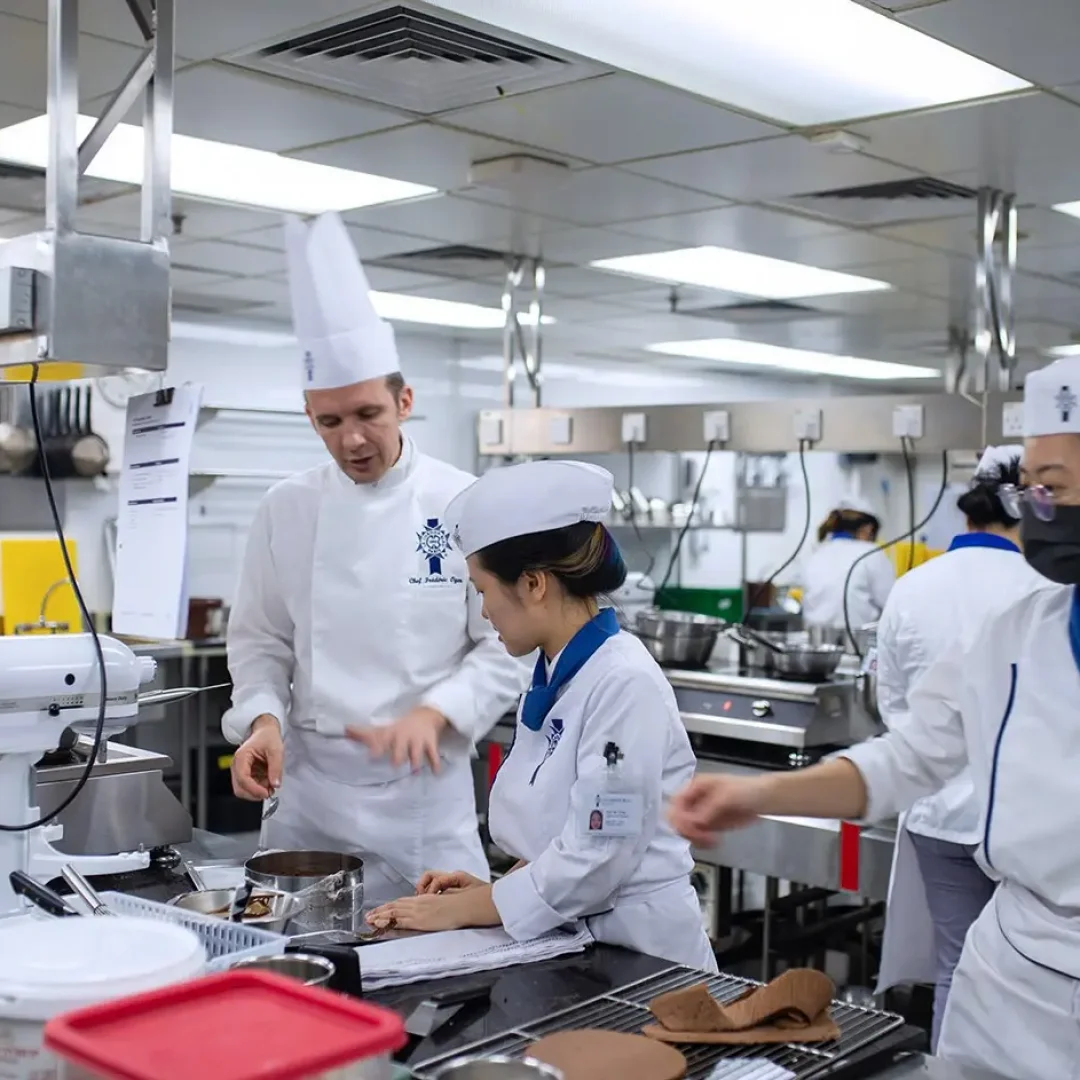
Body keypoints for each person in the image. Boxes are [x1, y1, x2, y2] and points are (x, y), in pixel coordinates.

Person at [668, 354, 1080, 1077]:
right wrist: (757, 795)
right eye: (1032, 490)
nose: (1038, 509)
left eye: (1055, 488)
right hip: (1010, 985)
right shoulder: (1017, 629)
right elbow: (907, 758)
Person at [222, 211, 529, 900]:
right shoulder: (285, 508)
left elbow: (506, 646)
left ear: (404, 401)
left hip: (420, 793)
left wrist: (438, 712)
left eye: (368, 414)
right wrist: (262, 721)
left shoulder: (464, 501)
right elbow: (260, 641)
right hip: (306, 790)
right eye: (330, 422)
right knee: (298, 949)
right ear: (310, 416)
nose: (352, 439)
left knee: (440, 957)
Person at [365, 459, 718, 972]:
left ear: (533, 584)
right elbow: (565, 839)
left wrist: (470, 908)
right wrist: (494, 892)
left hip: (643, 957)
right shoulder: (558, 672)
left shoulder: (623, 682)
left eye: (483, 591)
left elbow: (599, 852)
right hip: (584, 942)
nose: (484, 612)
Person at [874, 446, 1052, 1049]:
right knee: (1031, 977)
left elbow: (893, 706)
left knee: (956, 965)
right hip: (1025, 821)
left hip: (936, 813)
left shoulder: (911, 588)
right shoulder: (1044, 588)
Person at [800, 496, 894, 638]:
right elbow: (890, 604)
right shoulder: (871, 553)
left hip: (816, 640)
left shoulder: (817, 552)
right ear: (868, 529)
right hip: (857, 641)